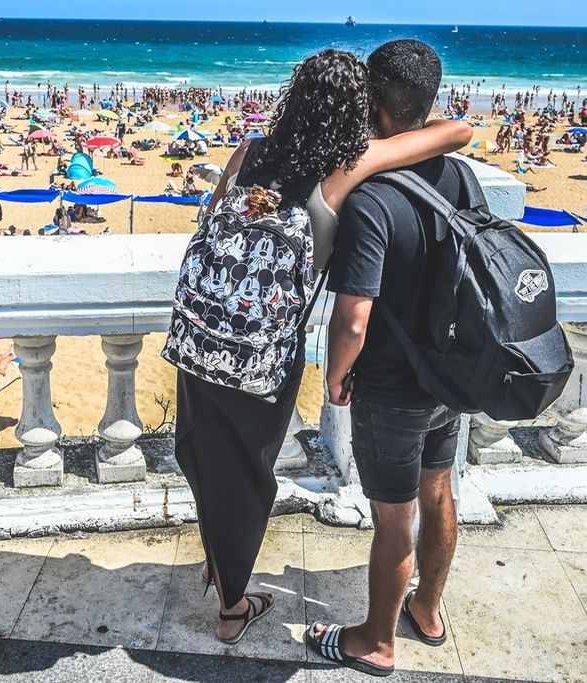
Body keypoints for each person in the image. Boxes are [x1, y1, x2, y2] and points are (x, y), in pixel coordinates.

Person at [174, 47, 471, 646]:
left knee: (204, 456)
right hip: (263, 356)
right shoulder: (344, 172)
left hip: (202, 336)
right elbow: (457, 132)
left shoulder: (250, 150)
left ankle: (220, 564)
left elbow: (209, 225)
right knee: (250, 473)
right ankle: (233, 607)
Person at [307, 39, 469, 676]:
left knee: (392, 515)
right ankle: (427, 608)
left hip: (393, 385)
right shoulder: (459, 175)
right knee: (438, 492)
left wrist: (336, 374)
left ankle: (375, 640)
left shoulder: (371, 197)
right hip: (447, 373)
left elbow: (353, 315)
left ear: (370, 102)